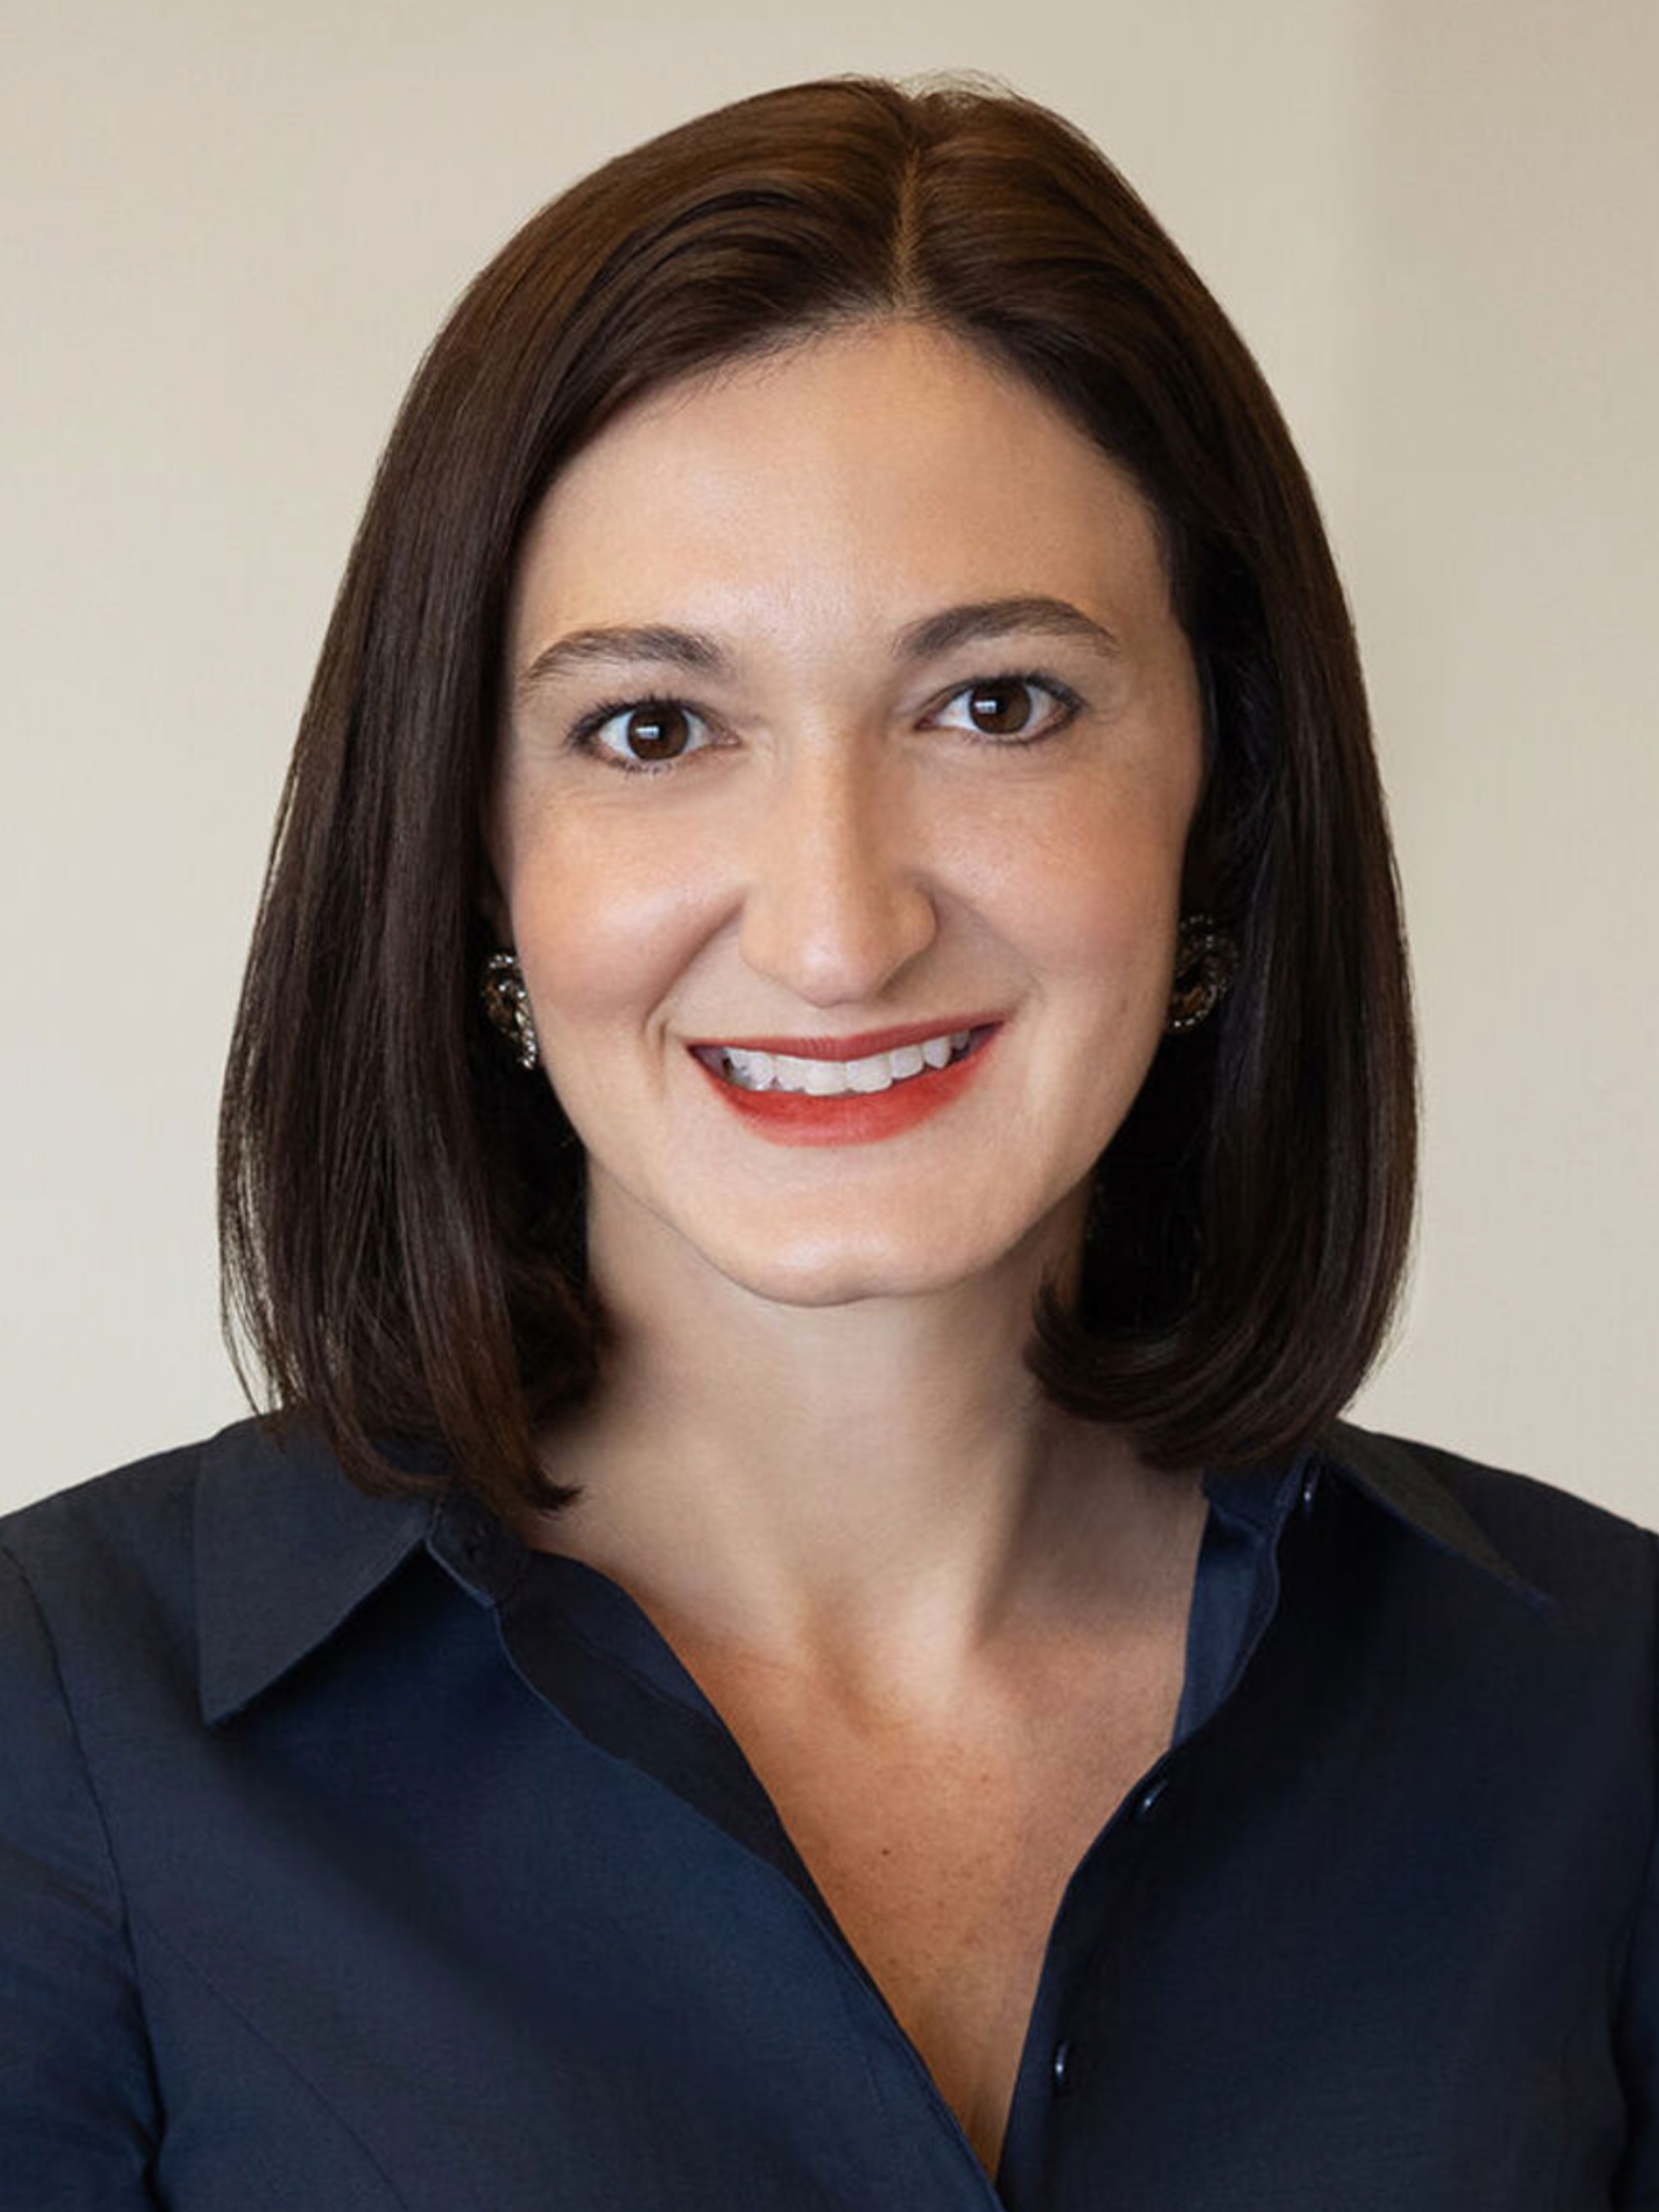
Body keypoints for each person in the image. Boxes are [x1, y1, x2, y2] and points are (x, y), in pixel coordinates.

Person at [1, 71, 1653, 2212]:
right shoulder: (61, 1727)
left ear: (1228, 797)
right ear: (476, 854)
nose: (836, 925)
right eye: (653, 727)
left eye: (997, 704)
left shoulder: (1601, 1714)